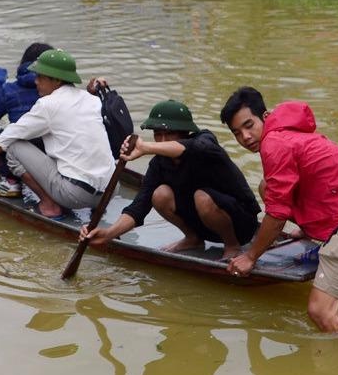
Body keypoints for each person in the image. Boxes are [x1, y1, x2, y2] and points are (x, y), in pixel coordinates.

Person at [220, 87, 338, 333]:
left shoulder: (274, 143)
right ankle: (310, 232)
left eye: (249, 125)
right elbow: (283, 194)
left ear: (265, 117)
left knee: (321, 313)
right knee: (268, 186)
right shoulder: (285, 135)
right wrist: (306, 229)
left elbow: (276, 214)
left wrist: (250, 257)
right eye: (237, 133)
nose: (245, 137)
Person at [81, 99, 261, 258]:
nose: (162, 140)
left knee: (202, 197)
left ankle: (232, 246)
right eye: (158, 134)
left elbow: (194, 147)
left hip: (242, 226)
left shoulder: (205, 141)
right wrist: (108, 233)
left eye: (169, 134)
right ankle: (193, 238)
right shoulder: (159, 164)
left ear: (184, 133)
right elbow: (138, 208)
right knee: (160, 194)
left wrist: (147, 147)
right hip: (204, 225)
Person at [0, 50, 114, 219]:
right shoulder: (91, 99)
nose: (36, 81)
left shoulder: (48, 104)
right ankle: (96, 207)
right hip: (110, 191)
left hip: (76, 195)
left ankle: (49, 205)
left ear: (57, 80)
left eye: (40, 77)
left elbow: (12, 133)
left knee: (13, 145)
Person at [0, 41, 53, 197]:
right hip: (54, 151)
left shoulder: (11, 89)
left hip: (23, 151)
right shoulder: (59, 88)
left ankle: (11, 182)